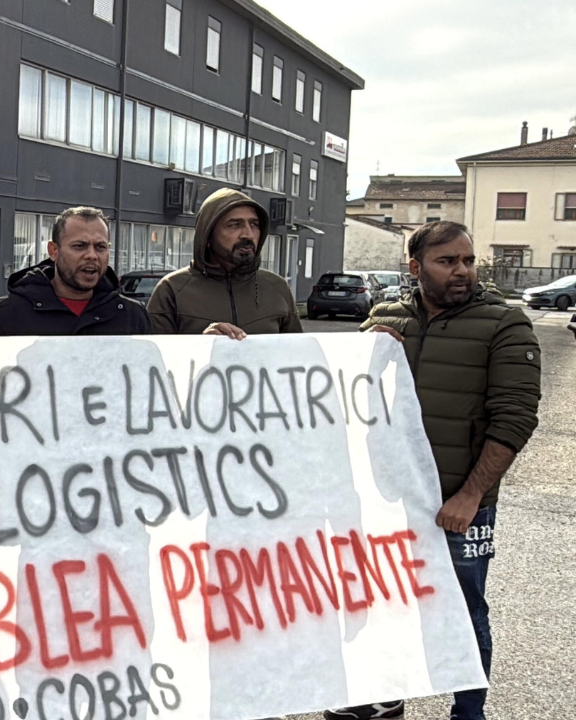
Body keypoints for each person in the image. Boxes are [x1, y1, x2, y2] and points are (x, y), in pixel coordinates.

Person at [336, 221, 542, 720]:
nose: (462, 271)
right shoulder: (383, 316)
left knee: (464, 612)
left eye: (468, 261)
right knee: (379, 604)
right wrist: (363, 352)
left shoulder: (504, 322)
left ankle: (468, 712)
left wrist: (471, 496)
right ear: (415, 267)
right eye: (446, 261)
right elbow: (346, 395)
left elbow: (515, 416)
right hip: (388, 503)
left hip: (459, 506)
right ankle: (381, 701)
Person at [146, 187, 301, 338]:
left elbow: (300, 356)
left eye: (254, 224)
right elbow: (152, 359)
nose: (248, 234)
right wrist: (198, 346)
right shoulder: (172, 289)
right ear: (207, 236)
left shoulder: (277, 288)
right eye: (234, 225)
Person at [0, 206, 150, 335]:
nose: (91, 255)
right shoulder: (11, 312)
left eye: (100, 247)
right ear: (54, 250)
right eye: (79, 246)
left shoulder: (132, 316)